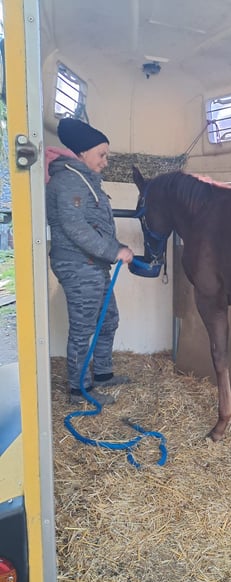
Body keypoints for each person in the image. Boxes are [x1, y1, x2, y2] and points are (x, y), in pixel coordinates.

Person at [46, 118, 134, 405]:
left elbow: (95, 226)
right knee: (83, 328)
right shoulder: (69, 179)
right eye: (102, 154)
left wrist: (116, 248)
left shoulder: (84, 179)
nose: (106, 161)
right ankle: (79, 389)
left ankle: (103, 374)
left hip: (93, 263)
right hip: (78, 265)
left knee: (108, 320)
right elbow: (75, 227)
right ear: (82, 152)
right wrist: (114, 252)